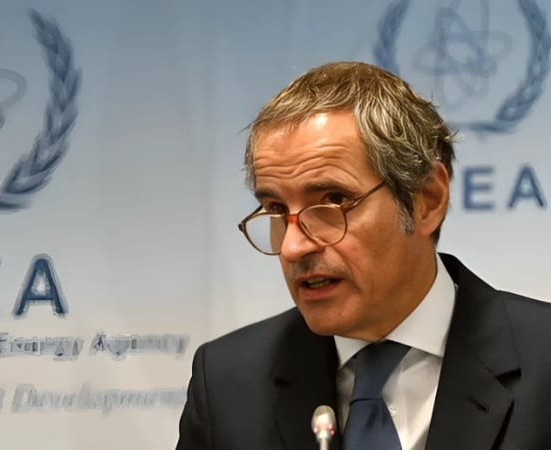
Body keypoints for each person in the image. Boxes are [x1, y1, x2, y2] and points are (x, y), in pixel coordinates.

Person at [175, 61, 551, 450]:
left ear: (427, 200)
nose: (292, 247)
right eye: (275, 209)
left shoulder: (543, 363)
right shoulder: (226, 383)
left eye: (333, 200)